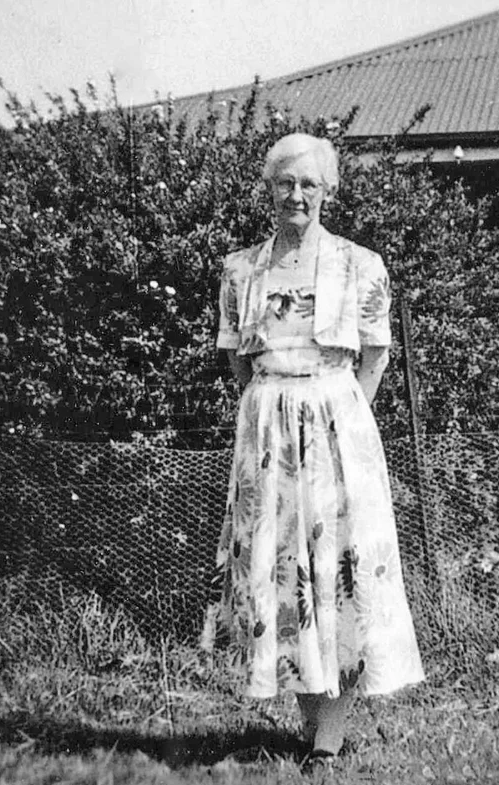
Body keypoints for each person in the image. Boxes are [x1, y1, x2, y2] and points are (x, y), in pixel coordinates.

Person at [205, 132, 425, 763]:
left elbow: (376, 357)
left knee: (338, 572)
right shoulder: (240, 270)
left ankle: (327, 742)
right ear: (268, 190)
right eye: (285, 183)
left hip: (337, 429)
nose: (296, 195)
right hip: (268, 431)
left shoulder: (362, 265)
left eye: (309, 184)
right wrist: (276, 406)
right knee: (283, 572)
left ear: (329, 191)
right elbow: (238, 364)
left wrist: (336, 413)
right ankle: (312, 729)